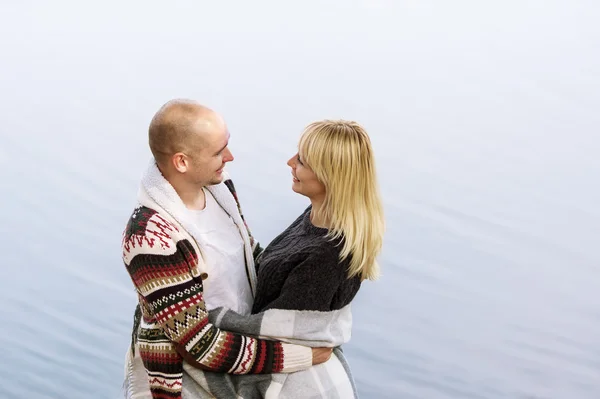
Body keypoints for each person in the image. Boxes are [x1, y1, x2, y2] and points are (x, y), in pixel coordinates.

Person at [121, 99, 331, 399]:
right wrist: (300, 355)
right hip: (185, 385)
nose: (230, 157)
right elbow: (200, 346)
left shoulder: (221, 191)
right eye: (218, 152)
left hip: (239, 363)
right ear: (182, 162)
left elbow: (249, 257)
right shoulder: (151, 238)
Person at [182, 119, 386, 398]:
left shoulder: (327, 257)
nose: (290, 162)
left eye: (302, 160)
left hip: (301, 385)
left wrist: (200, 317)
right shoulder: (315, 219)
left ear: (329, 174)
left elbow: (277, 334)